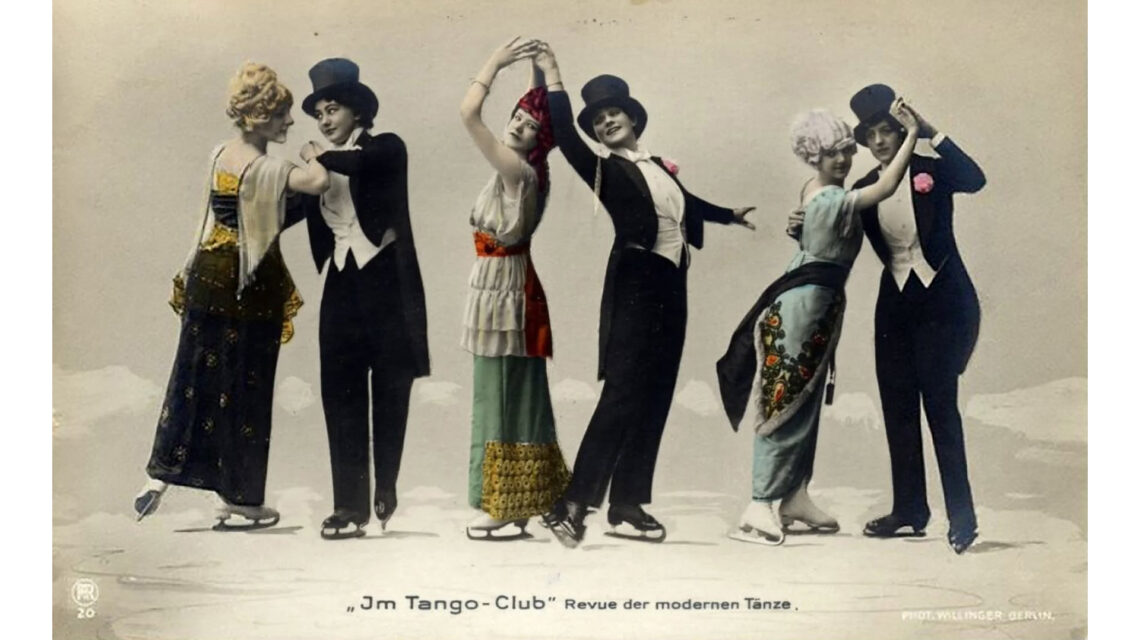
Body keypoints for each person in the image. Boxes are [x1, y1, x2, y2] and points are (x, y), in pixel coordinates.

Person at [533, 43, 756, 548]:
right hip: (637, 280)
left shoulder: (657, 167)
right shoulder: (605, 168)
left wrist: (729, 216)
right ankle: (572, 504)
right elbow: (565, 135)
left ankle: (628, 506)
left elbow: (685, 203)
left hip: (672, 283)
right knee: (624, 392)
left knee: (655, 394)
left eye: (614, 113)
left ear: (632, 118)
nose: (607, 122)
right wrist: (553, 73)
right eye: (600, 120)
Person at [134, 62, 330, 530]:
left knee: (190, 379)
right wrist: (315, 152)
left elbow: (217, 214)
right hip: (249, 285)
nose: (288, 122)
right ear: (260, 117)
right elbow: (318, 184)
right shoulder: (273, 167)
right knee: (246, 389)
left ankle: (157, 478)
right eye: (281, 114)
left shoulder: (221, 153)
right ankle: (239, 498)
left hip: (207, 273)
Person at [717, 101, 920, 545]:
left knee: (802, 401)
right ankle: (759, 504)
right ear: (815, 157)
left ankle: (793, 495)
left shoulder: (812, 191)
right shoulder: (830, 196)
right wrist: (911, 136)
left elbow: (814, 233)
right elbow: (884, 188)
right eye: (833, 154)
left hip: (815, 304)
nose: (844, 160)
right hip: (802, 308)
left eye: (848, 150)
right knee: (784, 401)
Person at [846, 84, 987, 554]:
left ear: (902, 129)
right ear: (865, 140)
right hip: (895, 305)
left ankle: (962, 518)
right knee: (897, 406)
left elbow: (976, 179)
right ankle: (909, 510)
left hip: (943, 303)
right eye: (873, 133)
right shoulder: (863, 188)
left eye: (889, 129)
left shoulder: (931, 170)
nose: (882, 140)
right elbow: (838, 235)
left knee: (941, 409)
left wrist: (929, 132)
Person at [297, 58, 431, 540]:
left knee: (391, 390)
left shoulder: (386, 147)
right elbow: (281, 204)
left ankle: (386, 488)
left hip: (385, 283)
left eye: (333, 109)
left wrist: (315, 159)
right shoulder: (318, 170)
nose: (325, 120)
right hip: (341, 283)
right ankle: (348, 506)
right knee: (340, 392)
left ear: (357, 111)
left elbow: (363, 165)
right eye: (319, 114)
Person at [458, 38, 571, 540]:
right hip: (504, 287)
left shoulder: (517, 171)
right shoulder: (531, 169)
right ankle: (517, 500)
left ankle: (504, 502)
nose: (519, 125)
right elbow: (535, 108)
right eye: (518, 118)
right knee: (509, 389)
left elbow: (468, 113)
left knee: (498, 392)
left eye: (529, 128)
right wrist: (537, 67)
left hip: (504, 290)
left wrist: (495, 62)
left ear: (537, 143)